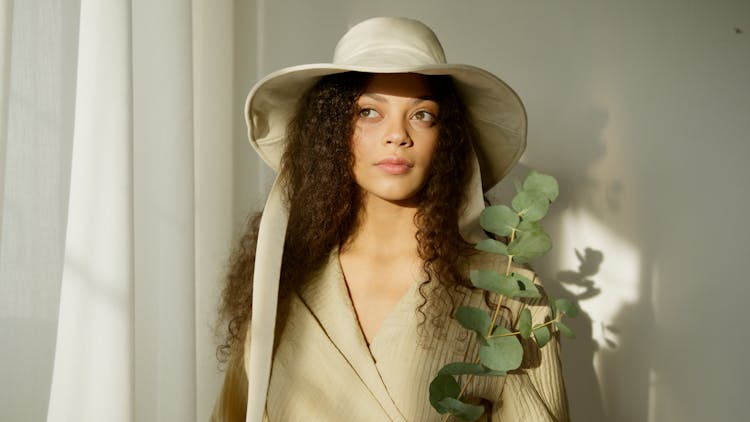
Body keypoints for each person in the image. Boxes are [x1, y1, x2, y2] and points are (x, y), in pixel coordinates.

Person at [212, 17, 569, 422]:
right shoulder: (281, 279)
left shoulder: (505, 294)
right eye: (368, 111)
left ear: (446, 139)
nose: (397, 134)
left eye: (422, 115)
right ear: (331, 130)